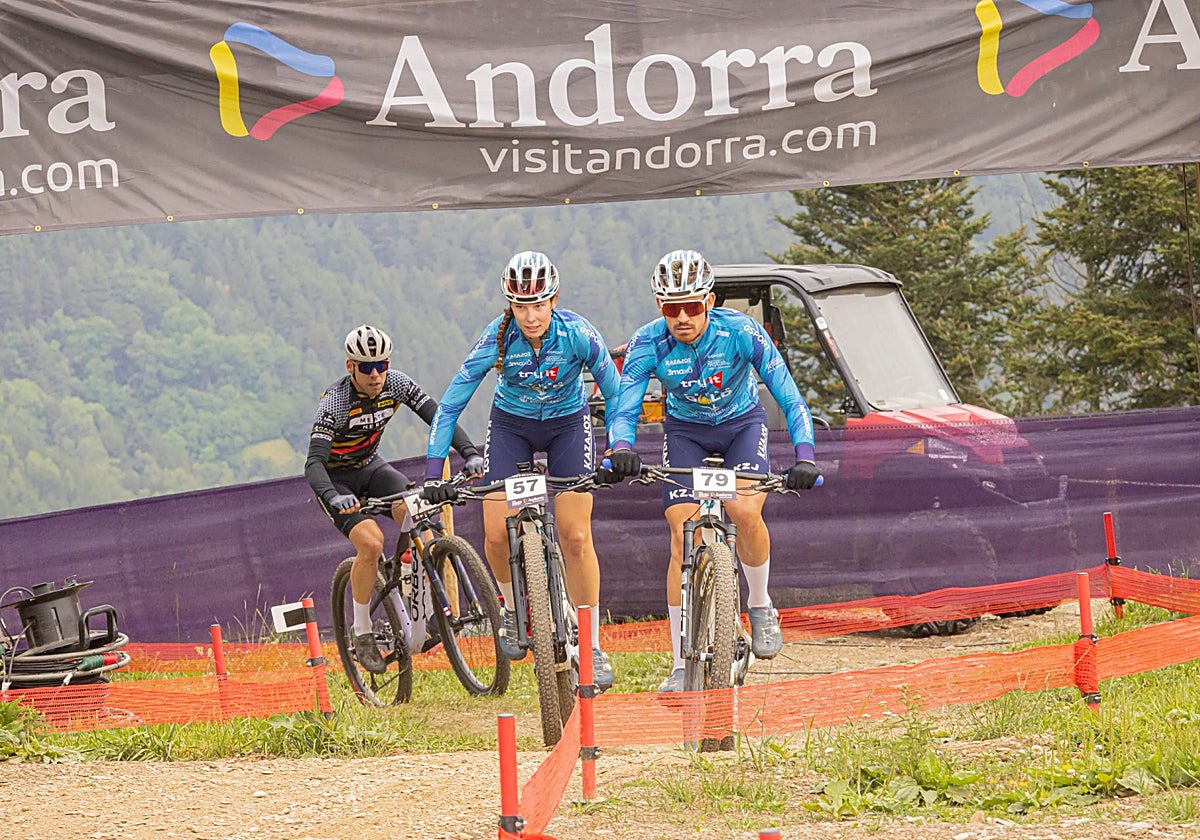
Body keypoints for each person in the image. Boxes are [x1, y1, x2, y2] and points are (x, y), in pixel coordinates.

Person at [603, 249, 821, 693]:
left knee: (743, 510)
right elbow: (625, 406)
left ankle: (759, 604)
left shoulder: (741, 331)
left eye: (692, 306)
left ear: (710, 301)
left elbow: (789, 395)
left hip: (742, 424)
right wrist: (621, 447)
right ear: (659, 307)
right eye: (670, 308)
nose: (681, 317)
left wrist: (805, 454)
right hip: (685, 431)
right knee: (679, 529)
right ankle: (682, 662)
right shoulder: (649, 342)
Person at [421, 251, 621, 691]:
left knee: (576, 536)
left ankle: (590, 645)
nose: (530, 316)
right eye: (520, 305)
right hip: (511, 426)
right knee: (495, 532)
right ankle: (512, 608)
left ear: (554, 299)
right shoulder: (497, 337)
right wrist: (435, 470)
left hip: (568, 425)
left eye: (538, 304)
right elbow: (451, 402)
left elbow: (616, 391)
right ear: (508, 304)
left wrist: (619, 446)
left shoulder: (578, 333)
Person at [306, 324, 484, 674]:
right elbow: (313, 464)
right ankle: (362, 631)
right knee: (371, 544)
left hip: (371, 467)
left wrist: (469, 452)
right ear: (350, 367)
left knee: (421, 517)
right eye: (367, 368)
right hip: (336, 480)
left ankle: (421, 600)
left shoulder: (396, 383)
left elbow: (439, 418)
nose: (376, 375)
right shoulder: (336, 403)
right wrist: (332, 497)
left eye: (382, 365)